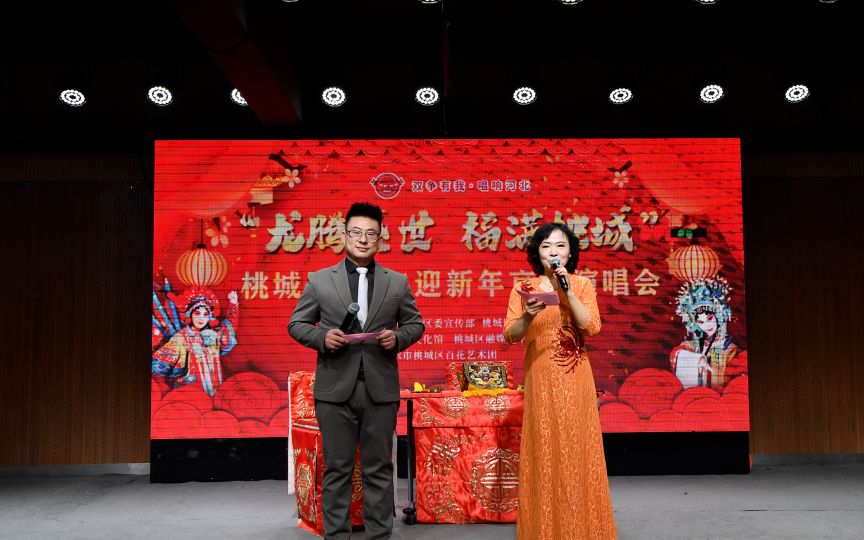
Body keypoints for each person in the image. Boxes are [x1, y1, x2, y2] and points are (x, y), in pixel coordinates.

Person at [288, 202, 424, 540]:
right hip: (335, 390)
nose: (363, 239)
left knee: (379, 468)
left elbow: (415, 324)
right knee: (337, 468)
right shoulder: (320, 280)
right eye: (356, 232)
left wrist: (398, 338)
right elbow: (297, 324)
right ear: (345, 235)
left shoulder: (397, 282)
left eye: (370, 234)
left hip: (380, 389)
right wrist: (322, 337)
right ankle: (336, 535)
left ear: (380, 239)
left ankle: (380, 535)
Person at [503, 222, 617, 539]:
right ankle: (544, 530)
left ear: (570, 252)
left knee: (578, 449)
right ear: (537, 253)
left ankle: (583, 530)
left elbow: (591, 326)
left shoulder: (581, 285)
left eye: (560, 245)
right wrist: (528, 315)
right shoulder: (524, 288)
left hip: (575, 377)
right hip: (540, 377)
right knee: (544, 449)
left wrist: (566, 292)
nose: (553, 252)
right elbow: (510, 335)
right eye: (546, 246)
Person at [152, 287, 238, 397]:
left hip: (216, 387)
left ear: (210, 317)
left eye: (205, 314)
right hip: (192, 391)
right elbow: (160, 365)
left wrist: (233, 304)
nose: (201, 318)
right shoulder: (183, 336)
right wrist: (182, 369)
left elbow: (230, 326)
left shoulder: (215, 335)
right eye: (197, 313)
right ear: (190, 314)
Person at [670, 277, 740, 389]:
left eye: (710, 318)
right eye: (701, 322)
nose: (707, 326)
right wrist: (695, 359)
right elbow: (676, 355)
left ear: (718, 316)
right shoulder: (691, 345)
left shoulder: (729, 349)